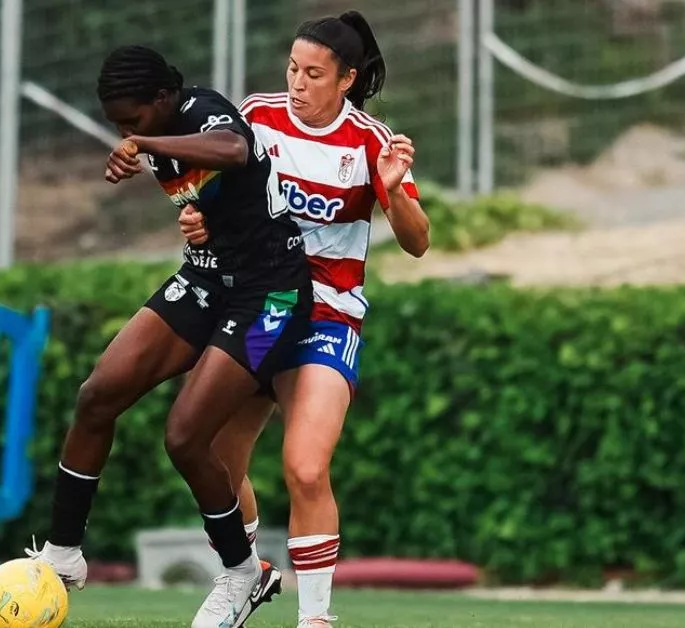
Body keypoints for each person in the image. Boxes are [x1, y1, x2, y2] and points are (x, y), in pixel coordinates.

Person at [27, 45, 312, 628]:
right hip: (208, 278)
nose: (125, 132)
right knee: (97, 395)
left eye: (132, 119)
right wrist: (193, 214)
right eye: (117, 124)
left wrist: (146, 144)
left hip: (272, 297)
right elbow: (213, 203)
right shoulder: (153, 132)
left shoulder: (204, 112)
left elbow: (235, 148)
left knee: (185, 437)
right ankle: (62, 557)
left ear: (162, 100)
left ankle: (242, 574)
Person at [179, 12, 429, 627]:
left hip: (324, 313)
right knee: (214, 455)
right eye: (293, 67)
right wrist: (199, 222)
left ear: (346, 79)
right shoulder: (257, 117)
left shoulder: (371, 141)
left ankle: (315, 619)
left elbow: (418, 242)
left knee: (306, 467)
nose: (297, 82)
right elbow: (212, 199)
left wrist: (393, 192)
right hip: (263, 307)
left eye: (314, 73)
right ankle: (246, 576)